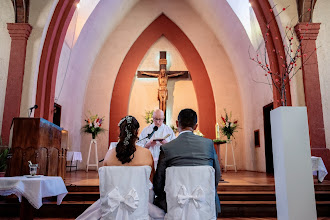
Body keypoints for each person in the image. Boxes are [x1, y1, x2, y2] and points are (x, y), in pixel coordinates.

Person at [76, 115, 164, 220]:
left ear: (120, 131)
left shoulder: (109, 155)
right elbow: (152, 181)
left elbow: (105, 184)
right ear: (137, 132)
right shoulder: (146, 154)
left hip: (112, 209)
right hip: (138, 207)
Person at [153, 108, 221, 215]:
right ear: (196, 126)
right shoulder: (208, 144)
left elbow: (158, 184)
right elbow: (216, 175)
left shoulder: (167, 148)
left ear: (177, 124)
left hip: (175, 206)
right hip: (204, 204)